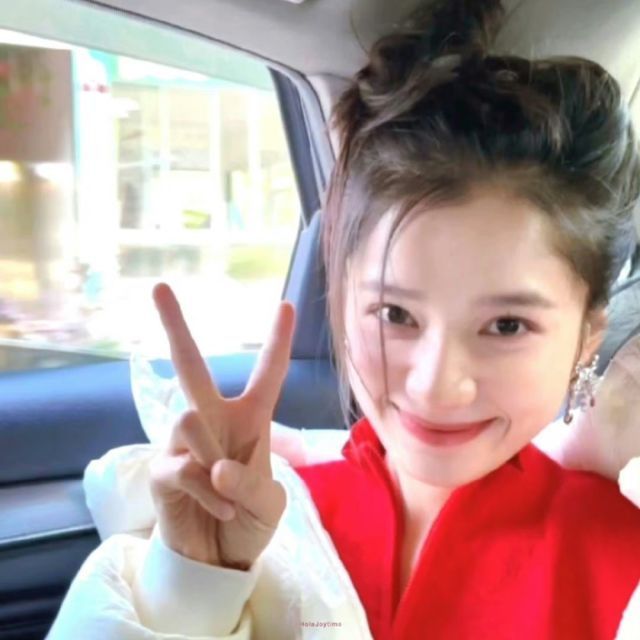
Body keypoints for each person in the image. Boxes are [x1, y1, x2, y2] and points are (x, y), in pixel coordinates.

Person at [48, 0, 640, 638]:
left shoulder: (622, 558)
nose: (435, 386)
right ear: (341, 298)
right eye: (396, 313)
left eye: (507, 326)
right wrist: (193, 579)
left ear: (588, 336)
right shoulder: (273, 516)